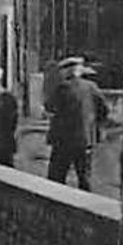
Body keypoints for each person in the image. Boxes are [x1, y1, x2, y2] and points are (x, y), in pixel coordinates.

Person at [46, 55, 108, 190]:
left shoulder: (62, 88)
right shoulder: (92, 87)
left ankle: (56, 207)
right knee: (84, 177)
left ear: (66, 72)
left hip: (63, 140)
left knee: (56, 177)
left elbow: (49, 106)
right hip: (85, 140)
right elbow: (104, 109)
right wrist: (95, 126)